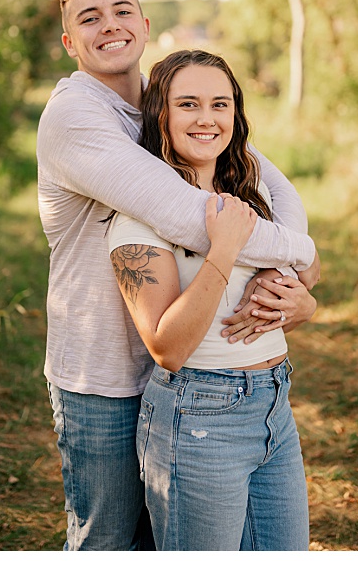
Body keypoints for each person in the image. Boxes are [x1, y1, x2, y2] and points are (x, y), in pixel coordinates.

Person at [37, 0, 318, 550]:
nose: (109, 26)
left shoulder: (166, 102)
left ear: (145, 24)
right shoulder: (75, 115)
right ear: (70, 42)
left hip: (189, 372)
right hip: (107, 371)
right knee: (112, 540)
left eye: (121, 11)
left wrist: (296, 276)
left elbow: (270, 181)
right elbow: (194, 216)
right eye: (89, 18)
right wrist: (297, 254)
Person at [109, 50, 311, 550]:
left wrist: (305, 306)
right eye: (188, 104)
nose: (207, 118)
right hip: (198, 415)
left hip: (274, 404)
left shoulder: (247, 192)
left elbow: (306, 269)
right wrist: (224, 251)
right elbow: (167, 347)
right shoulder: (139, 220)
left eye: (220, 104)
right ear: (162, 114)